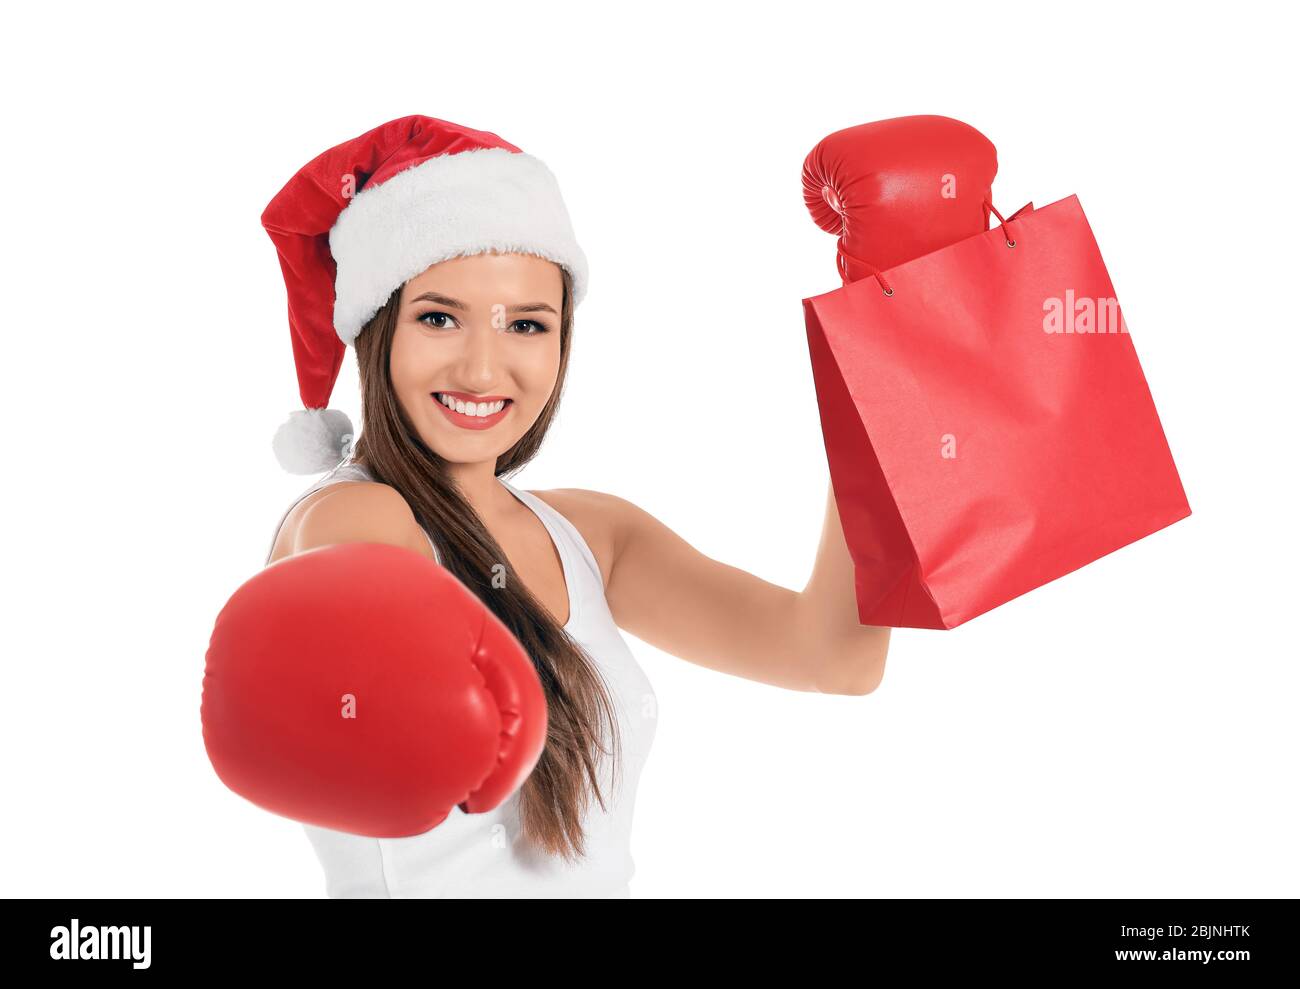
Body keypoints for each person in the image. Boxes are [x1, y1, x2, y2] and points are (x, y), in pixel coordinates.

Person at [253, 115, 890, 898]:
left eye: (526, 324)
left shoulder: (591, 534)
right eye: (438, 317)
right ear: (377, 332)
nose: (484, 365)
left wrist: (885, 362)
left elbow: (833, 656)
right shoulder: (355, 521)